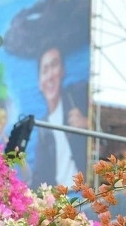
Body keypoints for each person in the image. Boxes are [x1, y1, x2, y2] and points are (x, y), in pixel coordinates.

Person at [29, 46, 89, 187]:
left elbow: (109, 125)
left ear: (63, 71)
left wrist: (88, 124)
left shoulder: (78, 97)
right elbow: (39, 177)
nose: (50, 75)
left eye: (54, 65)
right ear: (39, 82)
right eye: (45, 70)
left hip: (86, 192)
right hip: (60, 200)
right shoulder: (43, 128)